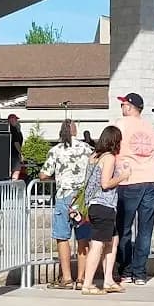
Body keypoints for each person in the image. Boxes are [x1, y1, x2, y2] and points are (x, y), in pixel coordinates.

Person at [40, 120, 93, 290]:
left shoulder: (56, 150)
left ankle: (67, 278)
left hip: (64, 195)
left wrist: (56, 177)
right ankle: (82, 278)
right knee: (83, 237)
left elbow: (43, 174)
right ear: (75, 130)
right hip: (82, 197)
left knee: (62, 236)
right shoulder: (86, 149)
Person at [114, 93, 154, 285]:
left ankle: (126, 269)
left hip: (129, 180)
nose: (121, 108)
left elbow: (112, 146)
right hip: (151, 179)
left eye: (123, 104)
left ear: (129, 107)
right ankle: (140, 273)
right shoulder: (148, 126)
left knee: (124, 228)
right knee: (145, 229)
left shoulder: (121, 124)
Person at [81, 126, 131, 295]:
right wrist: (123, 176)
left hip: (94, 205)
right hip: (104, 205)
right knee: (97, 244)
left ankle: (109, 280)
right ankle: (88, 284)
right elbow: (105, 183)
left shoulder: (94, 156)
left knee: (113, 240)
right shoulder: (109, 157)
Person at [8, 114, 23, 180]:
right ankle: (13, 184)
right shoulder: (13, 130)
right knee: (16, 171)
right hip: (14, 154)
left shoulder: (12, 129)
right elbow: (16, 142)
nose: (17, 121)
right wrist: (20, 153)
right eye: (15, 119)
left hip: (10, 154)